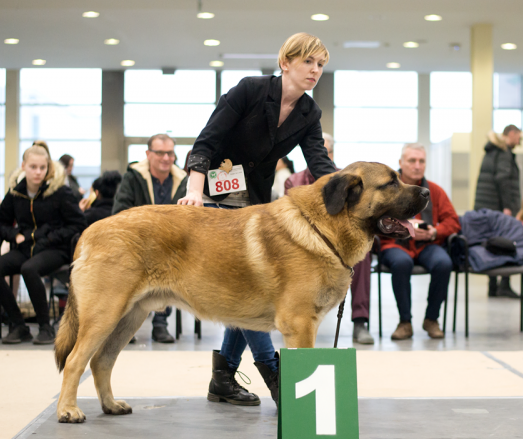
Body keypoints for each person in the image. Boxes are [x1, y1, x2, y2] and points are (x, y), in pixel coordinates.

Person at [179, 32, 337, 405]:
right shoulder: (249, 90)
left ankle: (223, 378)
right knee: (249, 294)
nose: (315, 71)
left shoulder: (308, 112)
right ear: (286, 63)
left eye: (320, 65)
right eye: (308, 62)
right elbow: (206, 141)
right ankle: (275, 375)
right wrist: (194, 192)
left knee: (246, 295)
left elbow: (320, 165)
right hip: (210, 196)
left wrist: (348, 189)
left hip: (253, 202)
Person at [0, 141, 87, 345]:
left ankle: (45, 327)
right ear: (23, 166)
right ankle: (18, 325)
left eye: (43, 167)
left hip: (54, 249)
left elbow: (78, 224)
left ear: (48, 167)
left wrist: (49, 238)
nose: (38, 172)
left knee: (28, 269)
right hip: (24, 248)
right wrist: (14, 235)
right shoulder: (16, 192)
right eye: (33, 167)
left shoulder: (60, 191)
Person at [285, 131, 374, 344]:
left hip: (342, 243)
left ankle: (360, 322)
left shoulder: (350, 181)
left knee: (362, 258)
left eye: (325, 153)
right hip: (305, 245)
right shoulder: (293, 181)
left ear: (332, 154)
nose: (319, 157)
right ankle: (292, 321)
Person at [113, 133, 188, 343]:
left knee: (174, 266)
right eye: (160, 153)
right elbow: (119, 213)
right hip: (136, 245)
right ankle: (127, 325)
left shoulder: (183, 181)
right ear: (148, 154)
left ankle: (160, 325)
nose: (166, 158)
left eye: (170, 153)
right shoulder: (132, 177)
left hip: (170, 248)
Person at [380, 143, 460, 340]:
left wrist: (435, 231)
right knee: (401, 263)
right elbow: (375, 220)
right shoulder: (385, 189)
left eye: (421, 161)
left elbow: (453, 221)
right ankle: (405, 322)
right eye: (412, 161)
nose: (417, 165)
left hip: (428, 244)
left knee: (444, 263)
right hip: (394, 244)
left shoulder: (435, 190)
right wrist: (405, 229)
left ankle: (431, 319)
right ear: (400, 163)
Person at [474, 125, 522, 298]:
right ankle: (504, 285)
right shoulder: (504, 152)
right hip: (499, 208)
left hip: (486, 206)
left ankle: (492, 287)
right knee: (505, 244)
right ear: (511, 134)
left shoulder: (491, 151)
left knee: (491, 244)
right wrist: (507, 206)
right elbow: (503, 180)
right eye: (519, 137)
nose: (519, 141)